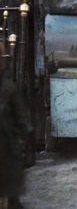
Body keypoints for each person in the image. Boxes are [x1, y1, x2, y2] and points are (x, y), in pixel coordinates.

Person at [0, 42, 32, 209]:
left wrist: (22, 138)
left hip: (6, 154)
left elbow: (22, 120)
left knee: (11, 200)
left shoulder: (8, 89)